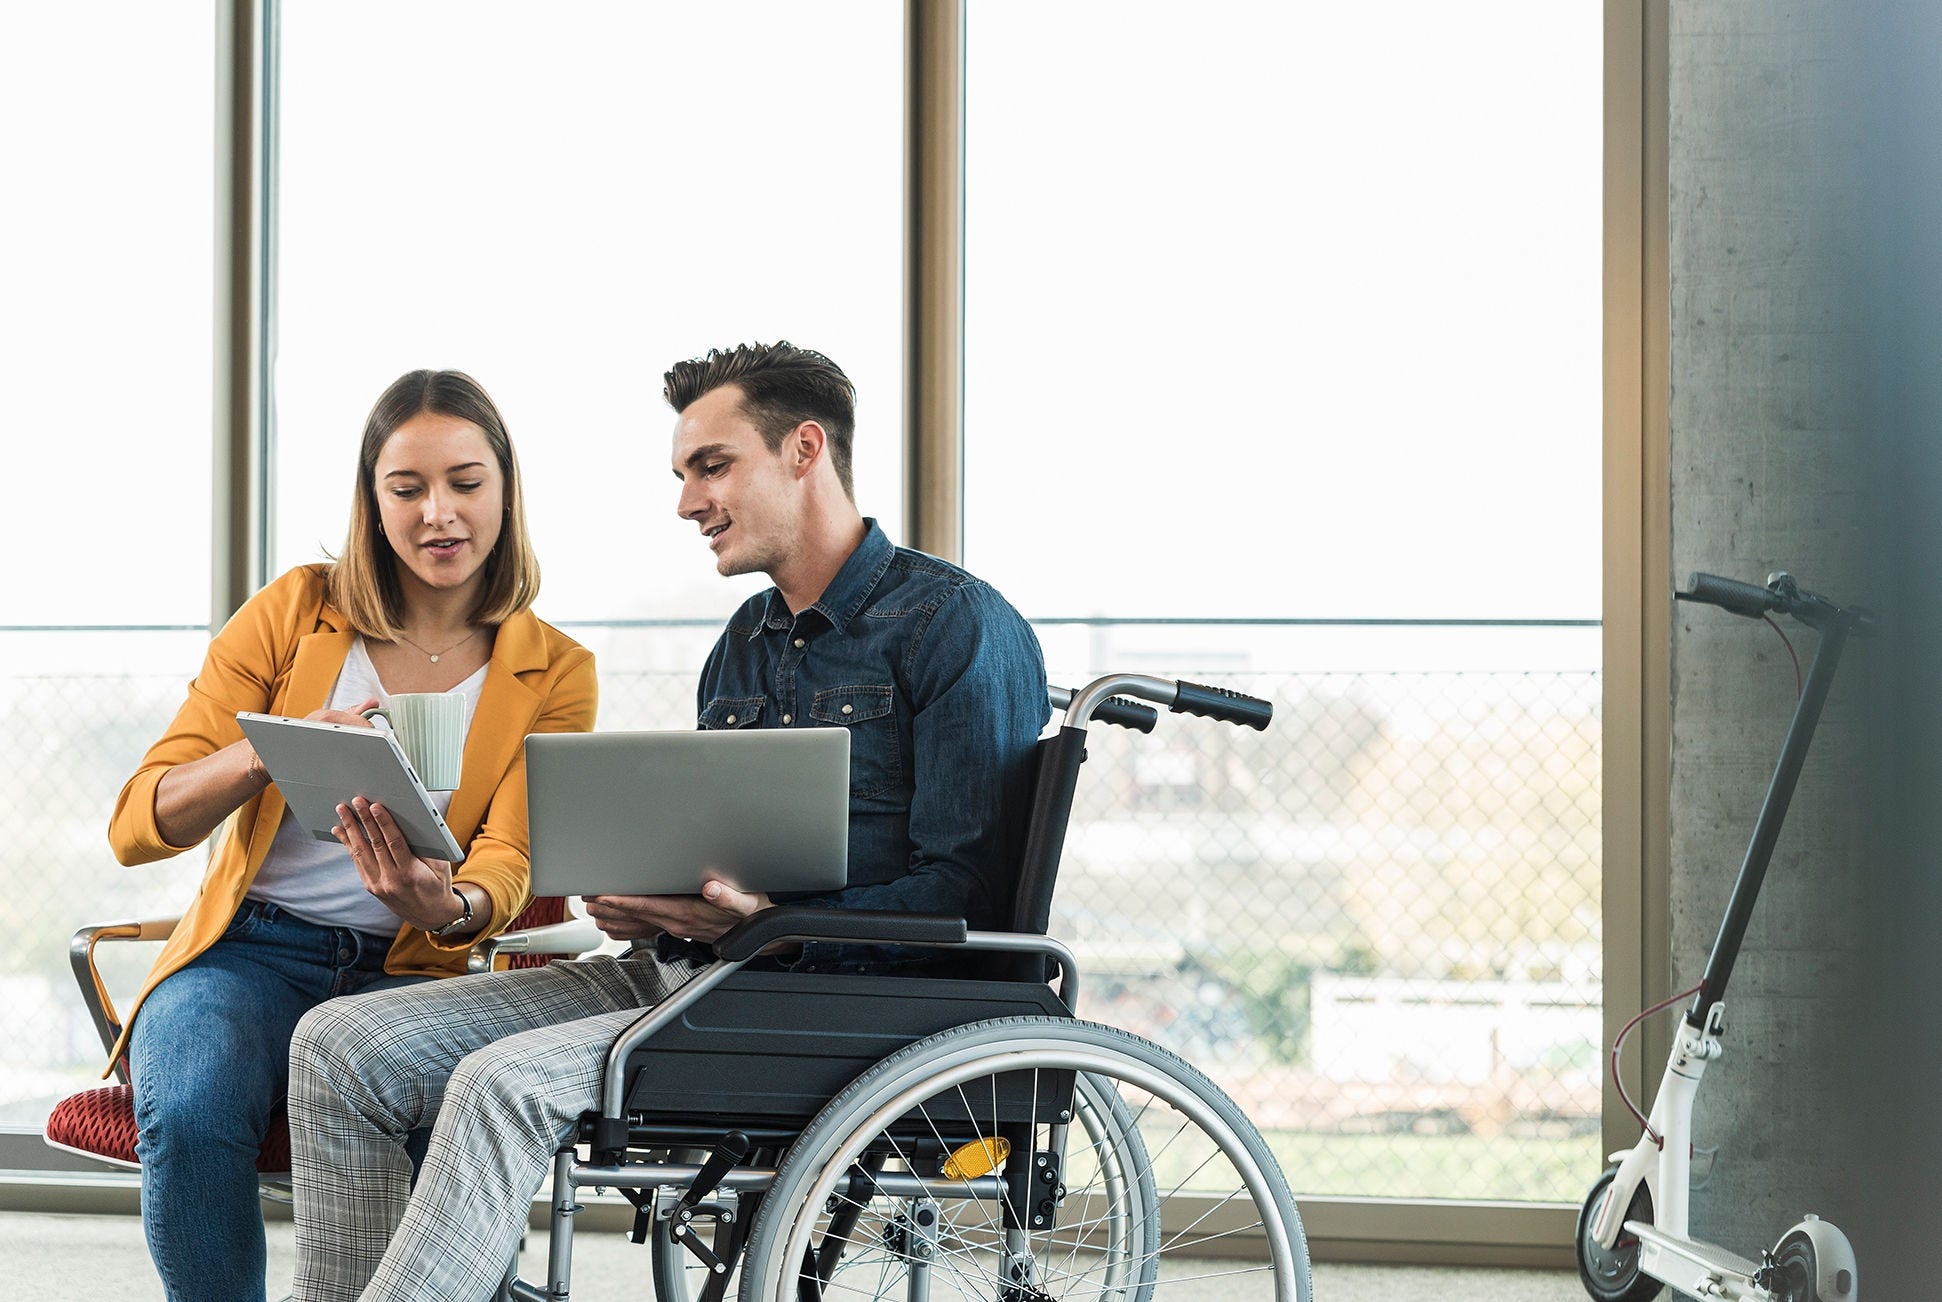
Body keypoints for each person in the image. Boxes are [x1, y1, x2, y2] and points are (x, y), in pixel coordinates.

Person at [286, 341, 1048, 1301]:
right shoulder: (744, 644)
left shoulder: (957, 627)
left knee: (498, 1089)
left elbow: (968, 895)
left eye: (712, 466)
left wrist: (766, 927)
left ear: (805, 449)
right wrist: (656, 896)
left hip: (842, 1007)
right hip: (693, 973)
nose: (687, 501)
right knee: (336, 1045)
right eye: (685, 473)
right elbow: (723, 849)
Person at [106, 369, 597, 1302]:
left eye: (464, 482)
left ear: (505, 490)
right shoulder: (296, 611)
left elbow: (511, 853)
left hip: (416, 973)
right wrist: (267, 756)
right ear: (372, 504)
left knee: (442, 1156)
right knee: (196, 1108)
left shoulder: (554, 670)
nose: (437, 513)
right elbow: (140, 823)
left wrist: (451, 905)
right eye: (405, 489)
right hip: (251, 951)